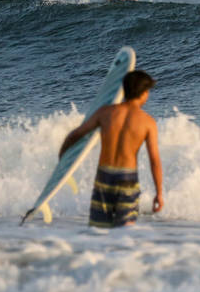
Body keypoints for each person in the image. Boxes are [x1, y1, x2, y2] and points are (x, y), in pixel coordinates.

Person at [58, 70, 163, 227]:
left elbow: (76, 134)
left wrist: (62, 158)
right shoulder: (147, 122)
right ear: (143, 93)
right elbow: (154, 160)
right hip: (127, 179)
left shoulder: (106, 113)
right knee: (125, 231)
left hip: (104, 177)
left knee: (97, 228)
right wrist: (159, 193)